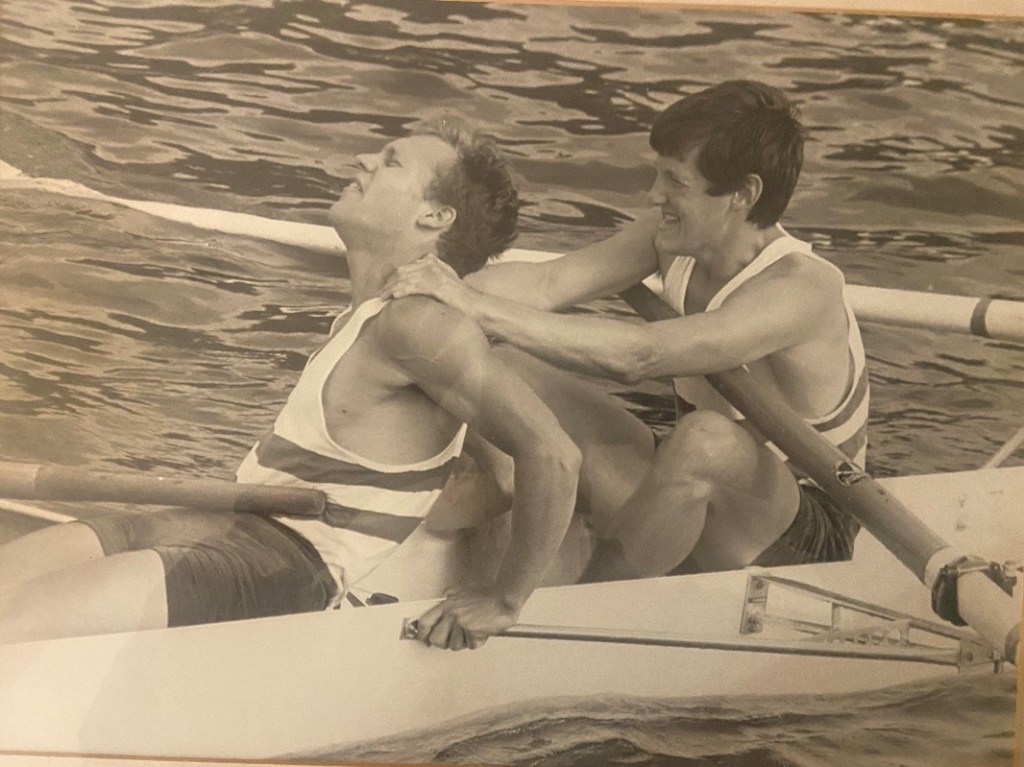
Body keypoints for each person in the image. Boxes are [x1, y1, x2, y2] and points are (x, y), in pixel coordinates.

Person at [0, 119, 582, 651]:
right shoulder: (373, 315)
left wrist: (504, 601)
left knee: (14, 625)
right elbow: (493, 469)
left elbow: (553, 455)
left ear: (435, 217)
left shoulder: (420, 324)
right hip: (229, 521)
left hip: (284, 564)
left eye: (391, 161)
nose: (363, 160)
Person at [384, 80, 869, 581]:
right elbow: (547, 284)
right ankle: (504, 481)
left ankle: (589, 603)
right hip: (697, 481)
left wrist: (474, 305)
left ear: (743, 194)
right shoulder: (675, 236)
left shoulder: (801, 289)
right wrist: (419, 289)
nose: (654, 195)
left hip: (803, 530)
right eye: (658, 173)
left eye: (675, 181)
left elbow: (641, 355)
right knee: (500, 362)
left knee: (706, 440)